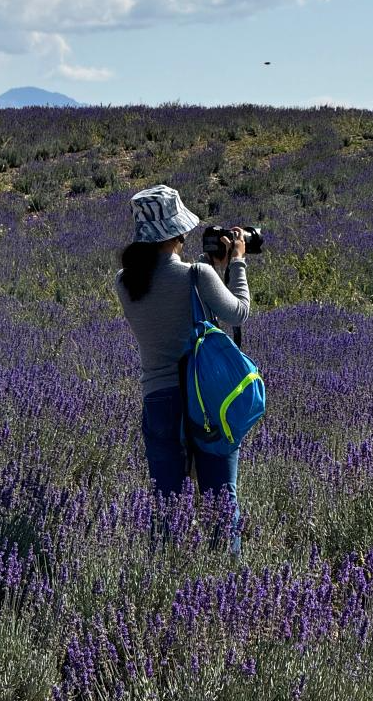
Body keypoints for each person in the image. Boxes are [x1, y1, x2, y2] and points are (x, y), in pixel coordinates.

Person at [115, 184, 250, 554]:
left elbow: (171, 314)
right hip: (205, 399)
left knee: (168, 506)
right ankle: (228, 582)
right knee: (222, 501)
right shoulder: (196, 275)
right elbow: (236, 312)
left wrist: (212, 274)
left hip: (158, 401)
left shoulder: (125, 283)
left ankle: (168, 575)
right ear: (177, 231)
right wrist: (235, 263)